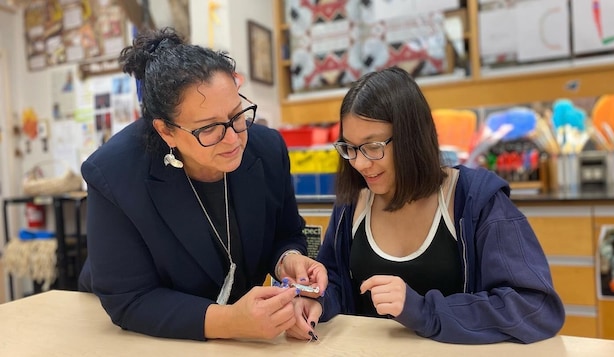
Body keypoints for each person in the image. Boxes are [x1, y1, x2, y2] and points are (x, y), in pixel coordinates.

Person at [78, 27, 326, 341]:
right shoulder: (113, 174)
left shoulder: (267, 149)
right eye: (210, 129)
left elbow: (286, 233)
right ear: (166, 131)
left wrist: (287, 262)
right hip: (143, 335)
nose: (235, 138)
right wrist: (231, 322)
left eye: (237, 115)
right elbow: (131, 298)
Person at [291, 67, 565, 344]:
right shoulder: (353, 203)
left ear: (412, 138)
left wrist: (423, 311)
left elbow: (535, 308)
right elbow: (337, 282)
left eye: (373, 146)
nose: (360, 163)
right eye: (349, 148)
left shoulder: (476, 200)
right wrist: (318, 300)